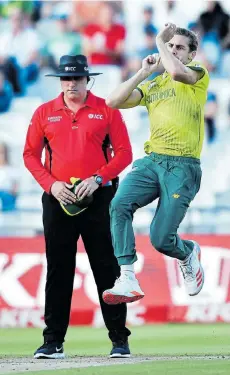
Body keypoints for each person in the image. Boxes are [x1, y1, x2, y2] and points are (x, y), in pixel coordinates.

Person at [23, 54, 133, 358]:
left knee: (107, 268)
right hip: (58, 199)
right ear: (60, 81)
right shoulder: (44, 112)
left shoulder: (107, 109)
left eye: (77, 78)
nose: (71, 84)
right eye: (66, 79)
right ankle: (53, 341)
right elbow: (30, 155)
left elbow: (124, 153)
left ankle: (119, 340)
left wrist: (97, 179)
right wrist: (52, 185)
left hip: (99, 199)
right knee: (59, 270)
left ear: (88, 80)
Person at [102, 24, 209, 305]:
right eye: (170, 46)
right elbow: (112, 101)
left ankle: (186, 252)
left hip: (183, 167)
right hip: (153, 161)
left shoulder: (197, 73)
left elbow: (175, 71)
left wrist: (160, 42)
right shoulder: (153, 84)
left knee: (161, 239)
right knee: (119, 204)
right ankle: (127, 276)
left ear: (191, 54)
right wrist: (143, 72)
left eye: (179, 47)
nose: (172, 51)